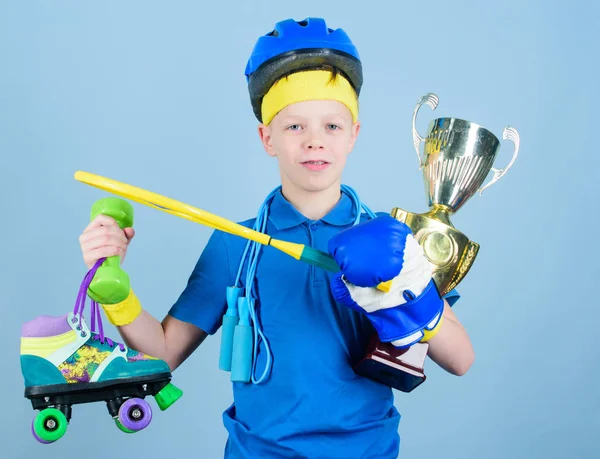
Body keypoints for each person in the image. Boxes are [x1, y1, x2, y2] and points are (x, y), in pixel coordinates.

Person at [78, 17, 474, 458]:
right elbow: (164, 354)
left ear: (354, 136)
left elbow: (460, 359)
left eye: (332, 126)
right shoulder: (234, 244)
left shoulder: (391, 239)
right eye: (294, 127)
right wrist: (114, 287)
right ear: (267, 138)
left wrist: (410, 285)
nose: (314, 142)